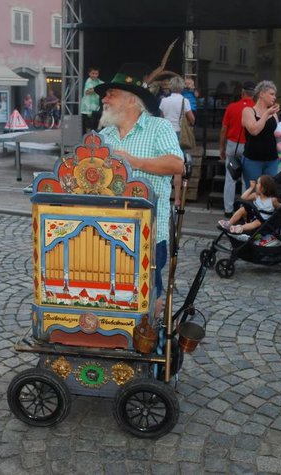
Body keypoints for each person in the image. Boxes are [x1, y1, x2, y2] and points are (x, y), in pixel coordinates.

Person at [94, 63, 184, 316]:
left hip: (149, 234)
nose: (104, 99)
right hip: (106, 232)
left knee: (149, 297)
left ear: (131, 100)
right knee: (113, 292)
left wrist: (134, 162)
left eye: (111, 94)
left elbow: (177, 164)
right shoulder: (104, 136)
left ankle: (151, 342)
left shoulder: (159, 128)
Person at [219, 80, 255, 217]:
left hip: (233, 144)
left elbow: (224, 130)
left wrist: (221, 148)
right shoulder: (255, 108)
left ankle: (228, 210)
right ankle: (244, 208)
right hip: (249, 146)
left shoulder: (231, 107)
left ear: (242, 93)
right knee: (247, 180)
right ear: (254, 94)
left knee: (230, 178)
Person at [159, 76, 195, 206]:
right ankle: (177, 199)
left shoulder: (164, 101)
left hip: (165, 133)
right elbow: (192, 119)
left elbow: (161, 118)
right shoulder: (185, 101)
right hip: (179, 134)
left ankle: (163, 196)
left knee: (164, 165)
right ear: (182, 87)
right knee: (178, 167)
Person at [241, 80, 281, 188]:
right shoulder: (248, 111)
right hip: (253, 159)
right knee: (253, 192)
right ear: (261, 94)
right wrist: (267, 114)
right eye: (271, 94)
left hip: (272, 159)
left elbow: (278, 133)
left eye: (275, 95)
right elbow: (254, 131)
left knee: (269, 191)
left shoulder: (273, 114)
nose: (274, 97)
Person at [81, 66, 103, 132]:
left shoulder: (98, 81)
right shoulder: (88, 81)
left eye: (96, 73)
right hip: (87, 109)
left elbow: (104, 84)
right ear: (89, 73)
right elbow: (87, 92)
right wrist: (97, 88)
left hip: (95, 107)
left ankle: (97, 136)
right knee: (89, 125)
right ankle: (88, 140)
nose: (95, 75)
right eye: (93, 73)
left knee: (101, 120)